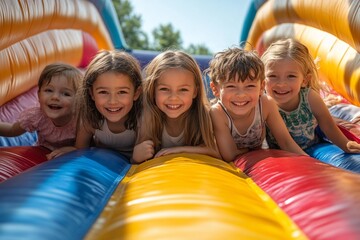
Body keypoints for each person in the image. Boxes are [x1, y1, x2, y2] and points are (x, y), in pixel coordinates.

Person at [206, 46, 308, 162]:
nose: (241, 94)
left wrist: (310, 161)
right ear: (215, 89)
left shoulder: (266, 104)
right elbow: (230, 155)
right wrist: (255, 151)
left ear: (261, 87)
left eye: (250, 86)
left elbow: (286, 142)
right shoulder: (217, 113)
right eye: (231, 86)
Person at [261, 38, 360, 153]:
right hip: (283, 152)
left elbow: (328, 126)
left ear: (305, 80)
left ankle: (331, 104)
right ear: (263, 79)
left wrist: (346, 145)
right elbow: (285, 143)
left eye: (291, 76)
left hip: (314, 144)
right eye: (273, 76)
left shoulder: (309, 97)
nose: (282, 84)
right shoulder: (264, 104)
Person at [132, 50, 220, 163]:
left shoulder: (204, 116)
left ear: (195, 92)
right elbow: (137, 159)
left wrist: (179, 150)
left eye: (183, 89)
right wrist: (135, 157)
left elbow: (217, 151)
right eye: (164, 89)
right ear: (152, 90)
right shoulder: (148, 118)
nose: (173, 97)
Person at [0, 63, 82, 160]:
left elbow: (83, 147)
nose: (55, 97)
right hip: (42, 151)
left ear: (79, 100)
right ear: (38, 95)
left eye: (66, 94)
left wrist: (71, 149)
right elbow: (12, 130)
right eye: (49, 90)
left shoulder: (80, 120)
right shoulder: (37, 116)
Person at [75, 50, 142, 160]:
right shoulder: (90, 120)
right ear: (92, 93)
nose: (112, 101)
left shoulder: (142, 120)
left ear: (136, 93)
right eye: (103, 92)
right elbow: (79, 152)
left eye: (122, 92)